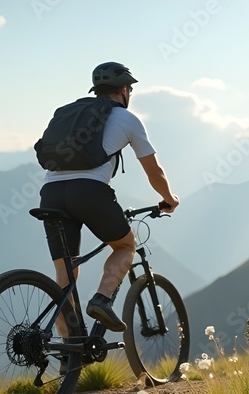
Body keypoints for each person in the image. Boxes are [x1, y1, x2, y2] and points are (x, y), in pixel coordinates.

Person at [39, 62, 179, 336]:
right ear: (125, 90)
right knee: (125, 245)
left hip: (51, 194)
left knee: (65, 276)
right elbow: (154, 171)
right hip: (89, 193)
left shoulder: (74, 114)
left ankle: (70, 353)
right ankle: (102, 300)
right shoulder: (127, 119)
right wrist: (168, 198)